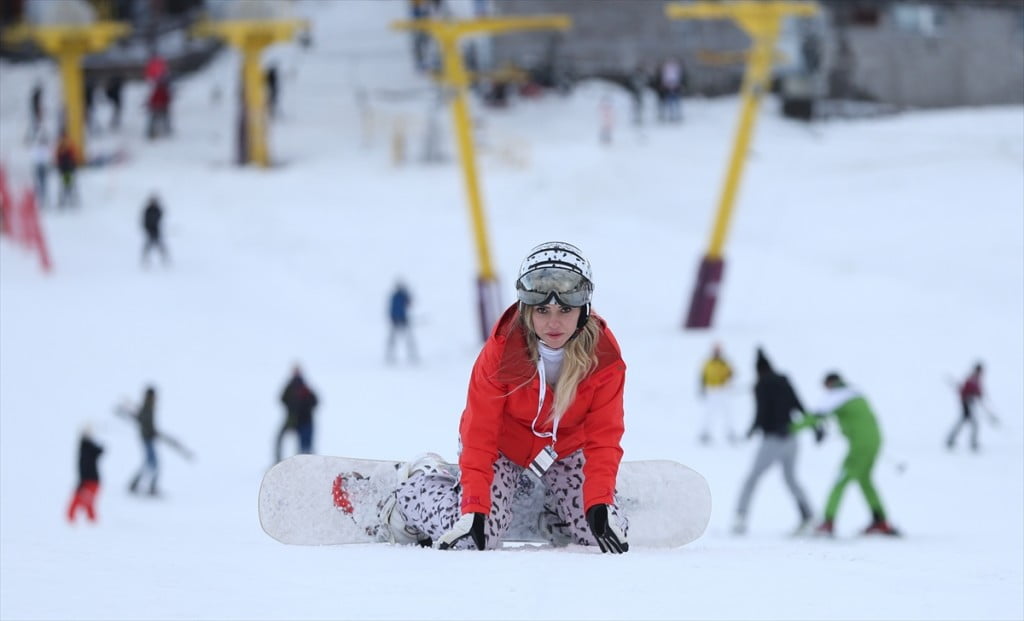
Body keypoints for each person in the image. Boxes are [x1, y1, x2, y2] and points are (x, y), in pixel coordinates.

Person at [378, 241, 630, 553]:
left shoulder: (603, 359)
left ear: (584, 309)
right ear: (527, 310)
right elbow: (479, 431)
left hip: (564, 450)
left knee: (602, 535)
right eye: (542, 310)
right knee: (473, 539)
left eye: (565, 310)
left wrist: (600, 501)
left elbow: (604, 437)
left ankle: (558, 508)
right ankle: (416, 489)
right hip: (502, 447)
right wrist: (474, 504)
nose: (554, 322)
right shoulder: (503, 352)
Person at [793, 372, 900, 536]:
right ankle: (881, 521)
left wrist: (790, 429)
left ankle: (828, 521)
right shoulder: (855, 392)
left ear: (829, 383)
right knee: (865, 481)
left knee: (840, 480)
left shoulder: (836, 395)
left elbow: (816, 415)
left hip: (859, 445)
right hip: (875, 441)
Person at [733, 348, 817, 535]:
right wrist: (814, 427)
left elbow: (761, 411)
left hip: (771, 440)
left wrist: (753, 428)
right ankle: (810, 516)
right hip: (791, 439)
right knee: (791, 479)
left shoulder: (760, 384)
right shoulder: (784, 380)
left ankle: (740, 517)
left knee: (752, 478)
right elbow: (798, 404)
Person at [946, 362, 997, 452]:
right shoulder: (971, 379)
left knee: (965, 422)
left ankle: (952, 440)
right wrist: (969, 397)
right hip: (966, 403)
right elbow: (964, 391)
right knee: (973, 423)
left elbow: (978, 391)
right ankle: (971, 443)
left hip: (969, 402)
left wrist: (979, 396)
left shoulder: (976, 379)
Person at [277, 365, 319, 461]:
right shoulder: (290, 386)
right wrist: (292, 407)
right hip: (293, 420)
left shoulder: (305, 387)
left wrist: (306, 405)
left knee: (305, 444)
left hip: (306, 420)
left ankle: (307, 463)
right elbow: (282, 399)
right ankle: (278, 462)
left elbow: (315, 401)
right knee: (280, 439)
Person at [124, 386, 161, 496]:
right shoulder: (147, 407)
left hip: (148, 438)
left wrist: (153, 431)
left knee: (150, 464)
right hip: (147, 439)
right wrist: (151, 432)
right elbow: (144, 422)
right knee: (153, 464)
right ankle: (148, 487)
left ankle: (136, 484)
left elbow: (143, 421)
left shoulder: (149, 407)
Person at [698, 342, 737, 445]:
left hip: (722, 390)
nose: (717, 352)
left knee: (727, 412)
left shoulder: (724, 363)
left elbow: (731, 373)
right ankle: (706, 433)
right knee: (710, 412)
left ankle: (730, 433)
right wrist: (702, 388)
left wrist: (729, 379)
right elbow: (703, 376)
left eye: (718, 351)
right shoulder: (708, 363)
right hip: (711, 390)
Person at [66, 425, 104, 523]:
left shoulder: (87, 448)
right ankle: (75, 522)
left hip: (91, 481)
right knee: (84, 502)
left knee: (87, 502)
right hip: (89, 481)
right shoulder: (87, 448)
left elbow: (100, 451)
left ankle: (91, 523)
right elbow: (100, 450)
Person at [386, 280, 418, 364]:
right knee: (394, 337)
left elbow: (409, 303)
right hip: (397, 318)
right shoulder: (397, 296)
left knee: (407, 337)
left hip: (402, 318)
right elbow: (393, 308)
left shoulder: (402, 295)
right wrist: (392, 317)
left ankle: (411, 354)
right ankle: (390, 355)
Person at [141, 194, 169, 266]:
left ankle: (164, 258)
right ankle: (145, 258)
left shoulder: (157, 209)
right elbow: (144, 220)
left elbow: (160, 217)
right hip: (150, 229)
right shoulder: (148, 209)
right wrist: (146, 228)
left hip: (156, 229)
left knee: (159, 244)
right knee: (148, 244)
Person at [54, 131, 78, 208]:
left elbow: (72, 156)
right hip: (65, 168)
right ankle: (67, 200)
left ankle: (67, 200)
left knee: (67, 184)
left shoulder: (63, 145)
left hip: (66, 168)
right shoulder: (64, 145)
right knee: (66, 184)